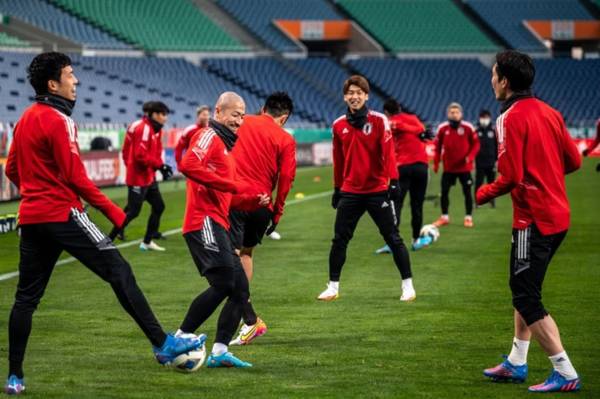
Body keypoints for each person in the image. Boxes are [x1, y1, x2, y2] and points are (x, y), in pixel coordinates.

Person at [3, 52, 200, 395]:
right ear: (53, 84)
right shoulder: (60, 120)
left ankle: (15, 377)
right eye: (69, 74)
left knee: (26, 300)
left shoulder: (24, 119)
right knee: (120, 272)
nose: (75, 80)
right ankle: (162, 344)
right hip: (63, 213)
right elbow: (76, 177)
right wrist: (115, 212)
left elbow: (11, 170)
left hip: (31, 218)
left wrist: (37, 189)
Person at [478, 50, 582, 393]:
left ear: (505, 81)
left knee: (525, 296)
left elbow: (509, 177)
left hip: (531, 221)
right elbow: (574, 161)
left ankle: (564, 371)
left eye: (494, 74)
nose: (491, 79)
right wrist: (546, 176)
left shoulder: (508, 118)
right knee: (525, 289)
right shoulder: (551, 112)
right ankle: (516, 362)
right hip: (558, 216)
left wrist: (482, 194)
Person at [176, 92, 270, 368]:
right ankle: (181, 336)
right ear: (219, 112)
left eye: (242, 115)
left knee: (240, 290)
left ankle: (218, 352)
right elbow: (188, 164)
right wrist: (233, 186)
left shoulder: (226, 149)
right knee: (226, 283)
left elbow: (226, 195)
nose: (239, 120)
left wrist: (252, 200)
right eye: (234, 114)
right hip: (202, 222)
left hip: (219, 222)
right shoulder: (208, 136)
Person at [318, 75, 416, 302]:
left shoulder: (380, 120)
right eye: (350, 93)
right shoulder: (338, 125)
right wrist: (336, 188)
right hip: (350, 192)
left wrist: (393, 181)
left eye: (359, 93)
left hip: (377, 190)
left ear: (366, 96)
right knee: (339, 240)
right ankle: (332, 287)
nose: (354, 96)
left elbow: (389, 153)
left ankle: (408, 286)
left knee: (393, 238)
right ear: (345, 96)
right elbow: (338, 160)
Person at [228, 92, 296, 346]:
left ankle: (249, 318)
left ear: (263, 108)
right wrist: (277, 212)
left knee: (229, 258)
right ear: (284, 117)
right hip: (261, 203)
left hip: (234, 198)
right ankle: (246, 319)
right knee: (245, 254)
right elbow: (287, 178)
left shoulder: (242, 122)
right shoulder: (285, 138)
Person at [109, 101, 173, 251]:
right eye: (163, 115)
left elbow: (151, 153)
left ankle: (147, 241)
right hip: (138, 177)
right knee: (133, 211)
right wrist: (159, 166)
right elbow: (139, 155)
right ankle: (108, 240)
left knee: (158, 206)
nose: (165, 118)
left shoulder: (154, 129)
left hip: (148, 176)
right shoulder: (144, 128)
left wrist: (160, 166)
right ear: (155, 114)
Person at [374, 99, 433, 254]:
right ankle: (416, 240)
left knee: (395, 204)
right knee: (417, 205)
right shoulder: (413, 119)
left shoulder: (389, 122)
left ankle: (392, 243)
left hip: (403, 167)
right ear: (400, 108)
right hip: (422, 166)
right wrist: (419, 131)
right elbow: (423, 133)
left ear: (386, 112)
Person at [432, 102, 480, 228]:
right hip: (448, 168)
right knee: (444, 192)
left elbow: (476, 145)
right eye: (452, 112)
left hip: (464, 168)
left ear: (461, 114)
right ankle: (444, 217)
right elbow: (437, 147)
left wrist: (470, 157)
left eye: (456, 112)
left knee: (467, 193)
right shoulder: (442, 128)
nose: (454, 115)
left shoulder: (468, 127)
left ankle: (468, 218)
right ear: (448, 114)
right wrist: (436, 163)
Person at [474, 109, 498, 208]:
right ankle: (477, 201)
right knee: (478, 182)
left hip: (491, 161)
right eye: (483, 117)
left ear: (489, 118)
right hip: (479, 162)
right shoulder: (476, 130)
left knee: (491, 184)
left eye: (486, 117)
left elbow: (497, 146)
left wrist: (497, 159)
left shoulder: (493, 130)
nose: (484, 119)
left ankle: (492, 201)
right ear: (480, 118)